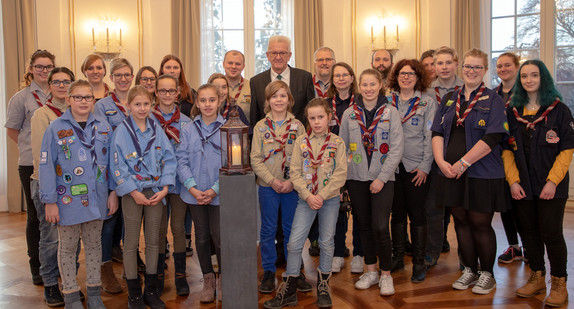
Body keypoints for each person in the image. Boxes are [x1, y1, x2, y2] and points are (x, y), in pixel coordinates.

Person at [431, 48, 508, 295]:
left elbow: (494, 136)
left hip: (482, 172)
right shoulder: (450, 98)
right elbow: (437, 132)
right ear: (461, 68)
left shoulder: (494, 99)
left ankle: (487, 274)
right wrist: (441, 162)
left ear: (485, 70)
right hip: (451, 172)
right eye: (467, 66)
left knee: (480, 223)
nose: (471, 71)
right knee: (460, 222)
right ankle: (469, 270)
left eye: (477, 67)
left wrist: (464, 162)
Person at [264, 98, 348, 309]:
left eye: (321, 117)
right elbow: (294, 172)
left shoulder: (337, 143)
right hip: (305, 199)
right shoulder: (301, 142)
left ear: (329, 117)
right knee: (294, 243)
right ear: (308, 119)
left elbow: (341, 174)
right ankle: (289, 289)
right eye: (312, 118)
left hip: (328, 200)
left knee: (327, 242)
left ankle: (323, 286)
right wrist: (308, 195)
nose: (317, 121)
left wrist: (323, 195)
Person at [40, 79, 116, 309]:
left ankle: (93, 292)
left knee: (94, 245)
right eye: (78, 97)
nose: (83, 101)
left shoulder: (103, 126)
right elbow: (46, 166)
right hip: (66, 201)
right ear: (69, 99)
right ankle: (71, 294)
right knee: (68, 246)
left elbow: (111, 163)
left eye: (88, 97)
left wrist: (113, 193)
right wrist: (50, 201)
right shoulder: (55, 128)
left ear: (94, 100)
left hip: (97, 198)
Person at [504, 60, 573, 307]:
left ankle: (559, 283)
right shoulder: (512, 111)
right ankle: (537, 276)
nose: (529, 80)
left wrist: (553, 182)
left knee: (551, 233)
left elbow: (566, 150)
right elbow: (506, 150)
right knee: (529, 232)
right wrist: (512, 181)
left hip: (550, 186)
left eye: (534, 75)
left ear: (543, 78)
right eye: (524, 76)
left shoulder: (559, 110)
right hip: (522, 185)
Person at [110, 85, 177, 309]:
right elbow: (117, 164)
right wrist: (132, 191)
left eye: (146, 104)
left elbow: (169, 158)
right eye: (137, 104)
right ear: (128, 106)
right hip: (132, 192)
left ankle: (150, 290)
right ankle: (134, 293)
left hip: (155, 190)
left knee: (153, 241)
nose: (142, 108)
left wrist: (166, 187)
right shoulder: (121, 131)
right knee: (129, 243)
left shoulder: (156, 128)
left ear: (151, 105)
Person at [339, 69, 403, 296]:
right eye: (364, 84)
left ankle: (386, 275)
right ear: (360, 87)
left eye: (372, 84)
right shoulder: (349, 114)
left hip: (383, 179)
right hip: (357, 179)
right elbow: (343, 148)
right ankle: (371, 271)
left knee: (379, 226)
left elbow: (396, 149)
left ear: (380, 85)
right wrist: (346, 178)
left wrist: (380, 179)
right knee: (363, 226)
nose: (368, 89)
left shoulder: (391, 112)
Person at [5, 49, 55, 289]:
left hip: (59, 165)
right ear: (31, 69)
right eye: (39, 66)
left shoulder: (62, 96)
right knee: (35, 216)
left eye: (48, 67)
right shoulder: (21, 98)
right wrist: (33, 150)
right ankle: (36, 266)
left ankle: (54, 263)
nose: (44, 71)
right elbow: (13, 130)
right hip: (30, 164)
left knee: (54, 216)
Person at [251, 81, 306, 294]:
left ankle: (294, 271)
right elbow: (255, 159)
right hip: (268, 186)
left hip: (292, 186)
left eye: (283, 96)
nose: (279, 100)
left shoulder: (298, 126)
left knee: (292, 229)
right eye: (274, 96)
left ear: (289, 100)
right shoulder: (260, 127)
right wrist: (272, 180)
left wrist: (292, 181)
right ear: (268, 101)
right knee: (268, 229)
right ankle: (268, 271)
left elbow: (303, 158)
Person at [387, 59, 437, 282]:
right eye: (402, 74)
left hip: (416, 167)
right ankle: (397, 258)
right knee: (396, 215)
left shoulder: (427, 102)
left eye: (411, 74)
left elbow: (430, 136)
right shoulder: (387, 101)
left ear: (418, 78)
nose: (406, 77)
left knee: (417, 216)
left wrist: (425, 166)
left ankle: (418, 263)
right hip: (391, 168)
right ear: (396, 77)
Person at [176, 84, 224, 303]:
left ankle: (223, 277)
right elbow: (181, 160)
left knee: (220, 236)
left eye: (211, 100)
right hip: (194, 193)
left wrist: (214, 190)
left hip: (218, 194)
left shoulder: (226, 128)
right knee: (202, 237)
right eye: (203, 100)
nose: (207, 104)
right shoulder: (187, 129)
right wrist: (193, 188)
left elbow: (230, 164)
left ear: (219, 101)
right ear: (196, 103)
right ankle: (208, 279)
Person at [30, 66, 73, 307]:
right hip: (48, 185)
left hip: (73, 187)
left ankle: (69, 283)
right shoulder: (42, 115)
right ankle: (50, 284)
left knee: (70, 240)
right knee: (50, 239)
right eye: (56, 82)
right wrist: (50, 195)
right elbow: (40, 157)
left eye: (66, 81)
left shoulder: (78, 112)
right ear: (49, 87)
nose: (62, 86)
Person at [94, 57, 135, 294]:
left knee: (126, 222)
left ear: (132, 76)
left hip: (134, 172)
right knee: (108, 222)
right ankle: (105, 271)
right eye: (117, 75)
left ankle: (128, 267)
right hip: (111, 170)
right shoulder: (102, 106)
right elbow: (101, 141)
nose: (122, 79)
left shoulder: (137, 100)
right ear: (111, 78)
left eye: (126, 74)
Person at [149, 74, 192, 296]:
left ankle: (181, 276)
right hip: (154, 185)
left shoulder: (186, 122)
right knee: (156, 230)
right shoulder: (146, 119)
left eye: (171, 91)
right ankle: (156, 275)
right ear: (155, 92)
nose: (167, 94)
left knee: (178, 228)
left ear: (178, 93)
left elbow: (190, 156)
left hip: (178, 184)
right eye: (162, 90)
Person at [424, 46, 464, 269]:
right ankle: (433, 252)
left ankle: (466, 256)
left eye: (448, 62)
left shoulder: (466, 88)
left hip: (460, 154)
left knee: (461, 211)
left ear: (456, 63)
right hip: (434, 154)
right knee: (433, 208)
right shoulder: (427, 90)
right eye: (439, 63)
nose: (444, 67)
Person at [327, 62, 364, 274]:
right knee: (336, 209)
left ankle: (359, 253)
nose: (341, 79)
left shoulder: (360, 102)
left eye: (345, 75)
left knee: (359, 209)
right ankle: (338, 252)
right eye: (337, 76)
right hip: (332, 164)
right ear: (332, 80)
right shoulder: (325, 104)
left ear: (352, 78)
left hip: (357, 162)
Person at [495, 52, 525, 264]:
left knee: (522, 204)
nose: (503, 69)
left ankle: (530, 246)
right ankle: (513, 246)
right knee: (505, 204)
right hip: (498, 153)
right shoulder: (493, 94)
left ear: (516, 67)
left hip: (520, 153)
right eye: (499, 66)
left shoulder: (525, 92)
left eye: (507, 65)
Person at [250, 35, 315, 126]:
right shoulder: (256, 82)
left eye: (282, 53)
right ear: (268, 55)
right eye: (274, 53)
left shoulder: (305, 78)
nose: (278, 57)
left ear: (289, 55)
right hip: (267, 137)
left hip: (299, 135)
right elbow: (254, 117)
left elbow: (311, 112)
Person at [223, 50, 252, 122]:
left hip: (246, 131)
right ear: (223, 64)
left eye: (238, 64)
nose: (233, 67)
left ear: (243, 66)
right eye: (230, 63)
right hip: (220, 131)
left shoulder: (251, 86)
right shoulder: (215, 87)